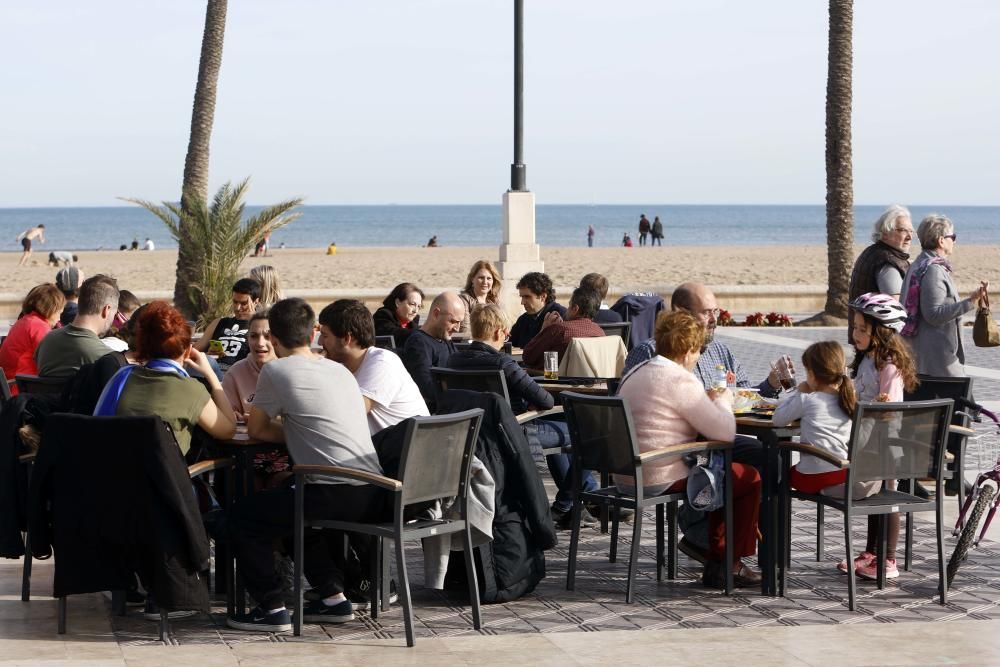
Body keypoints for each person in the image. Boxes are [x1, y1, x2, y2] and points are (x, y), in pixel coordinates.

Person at [226, 298, 386, 632]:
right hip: (374, 491)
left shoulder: (276, 370)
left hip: (333, 490)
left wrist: (292, 431)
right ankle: (333, 598)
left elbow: (256, 429)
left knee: (241, 517)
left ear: (274, 339)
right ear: (312, 332)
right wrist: (303, 430)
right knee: (291, 506)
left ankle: (271, 607)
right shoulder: (337, 368)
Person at [618, 310, 760, 588]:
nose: (698, 359)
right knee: (747, 477)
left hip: (626, 473)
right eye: (697, 352)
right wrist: (723, 401)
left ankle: (716, 558)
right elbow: (725, 432)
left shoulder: (637, 372)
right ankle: (728, 563)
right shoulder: (680, 379)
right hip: (657, 475)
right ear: (687, 350)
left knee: (719, 472)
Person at [447, 304, 601, 528]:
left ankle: (568, 506)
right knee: (590, 435)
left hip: (474, 434)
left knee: (557, 428)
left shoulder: (453, 361)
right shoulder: (503, 363)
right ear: (499, 332)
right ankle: (564, 504)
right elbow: (546, 401)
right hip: (513, 434)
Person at [772, 341, 892, 581]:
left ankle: (775, 556)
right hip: (846, 473)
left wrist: (800, 390)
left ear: (812, 374)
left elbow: (778, 419)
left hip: (813, 477)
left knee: (779, 475)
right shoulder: (850, 401)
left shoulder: (808, 399)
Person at [843, 293, 919, 578]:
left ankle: (888, 560)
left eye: (863, 329)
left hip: (888, 441)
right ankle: (871, 553)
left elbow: (891, 407)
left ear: (882, 332)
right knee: (876, 497)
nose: (856, 333)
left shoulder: (888, 363)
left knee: (888, 499)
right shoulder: (866, 359)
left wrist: (878, 403)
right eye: (855, 327)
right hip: (868, 438)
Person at [96, 301, 237, 456]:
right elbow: (229, 429)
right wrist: (211, 374)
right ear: (189, 350)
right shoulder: (191, 390)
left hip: (114, 475)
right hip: (164, 478)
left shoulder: (121, 377)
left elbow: (97, 426)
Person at [318, 300, 429, 434]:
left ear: (347, 339)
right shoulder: (341, 366)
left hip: (404, 452)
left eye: (324, 336)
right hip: (380, 450)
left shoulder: (382, 362)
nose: (319, 342)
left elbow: (346, 415)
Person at [899, 213, 988, 377]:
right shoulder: (933, 270)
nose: (954, 241)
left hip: (925, 357)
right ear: (941, 240)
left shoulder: (920, 264)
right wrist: (971, 302)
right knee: (962, 398)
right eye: (952, 236)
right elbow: (933, 314)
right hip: (937, 359)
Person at [847, 205, 914, 343]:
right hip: (880, 341)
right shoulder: (887, 263)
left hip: (865, 336)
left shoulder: (872, 252)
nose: (909, 237)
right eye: (902, 231)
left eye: (911, 231)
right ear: (885, 233)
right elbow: (896, 308)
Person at [35, 274, 119, 377]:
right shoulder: (106, 357)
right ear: (107, 310)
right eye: (115, 315)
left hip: (43, 393)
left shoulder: (46, 341)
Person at [401, 291, 465, 411]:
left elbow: (460, 366)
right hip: (439, 412)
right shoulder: (418, 343)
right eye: (453, 321)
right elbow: (426, 388)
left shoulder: (444, 339)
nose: (457, 328)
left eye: (460, 322)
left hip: (454, 405)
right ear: (436, 314)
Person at [0, 284, 65, 395]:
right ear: (50, 309)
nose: (59, 318)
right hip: (19, 388)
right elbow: (51, 362)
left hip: (9, 383)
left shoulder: (25, 321)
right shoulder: (39, 327)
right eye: (59, 313)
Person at [522, 287, 605, 370]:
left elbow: (528, 357)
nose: (567, 309)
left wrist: (544, 329)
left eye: (569, 305)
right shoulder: (600, 332)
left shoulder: (559, 330)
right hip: (595, 381)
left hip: (551, 380)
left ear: (575, 309)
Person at [194, 277, 262, 369]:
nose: (238, 308)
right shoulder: (219, 323)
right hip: (214, 369)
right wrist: (207, 355)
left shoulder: (261, 326)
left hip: (240, 373)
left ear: (256, 302)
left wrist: (253, 319)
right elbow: (194, 351)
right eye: (235, 302)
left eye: (243, 303)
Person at [222, 310, 277, 419]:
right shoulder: (235, 373)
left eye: (267, 336)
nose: (260, 343)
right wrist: (232, 416)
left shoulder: (292, 371)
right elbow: (226, 413)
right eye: (254, 336)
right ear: (247, 339)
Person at [509, 272, 567, 348]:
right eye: (522, 297)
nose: (522, 302)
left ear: (543, 297)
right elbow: (509, 344)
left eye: (527, 297)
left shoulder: (562, 315)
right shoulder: (523, 320)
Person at [457, 259, 502, 334]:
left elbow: (501, 329)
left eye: (489, 278)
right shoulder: (464, 300)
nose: (485, 282)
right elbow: (465, 331)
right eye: (481, 278)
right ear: (472, 279)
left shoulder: (494, 301)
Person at [373, 282, 424, 346]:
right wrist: (422, 332)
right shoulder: (382, 316)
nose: (415, 310)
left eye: (419, 306)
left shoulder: (413, 323)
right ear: (397, 302)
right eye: (412, 304)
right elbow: (394, 335)